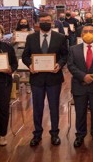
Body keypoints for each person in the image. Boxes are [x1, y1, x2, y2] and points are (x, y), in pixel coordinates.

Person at [21, 13, 68, 147]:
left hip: (54, 77)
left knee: (54, 107)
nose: (45, 23)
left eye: (48, 21)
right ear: (38, 23)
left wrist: (59, 65)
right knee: (37, 107)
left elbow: (65, 55)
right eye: (42, 21)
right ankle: (37, 134)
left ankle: (54, 134)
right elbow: (25, 56)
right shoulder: (31, 38)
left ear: (52, 22)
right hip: (37, 78)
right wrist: (30, 65)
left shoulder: (60, 37)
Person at [11, 18, 34, 94]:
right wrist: (14, 41)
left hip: (27, 50)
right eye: (22, 22)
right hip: (18, 50)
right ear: (19, 23)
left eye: (25, 22)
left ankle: (28, 86)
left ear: (27, 23)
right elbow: (12, 43)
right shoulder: (15, 31)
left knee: (28, 68)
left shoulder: (31, 31)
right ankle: (16, 87)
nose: (23, 23)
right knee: (16, 68)